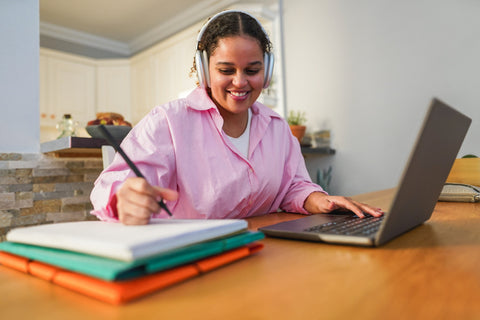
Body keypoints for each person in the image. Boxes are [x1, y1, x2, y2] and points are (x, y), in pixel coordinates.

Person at [90, 10, 383, 225]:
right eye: (227, 70)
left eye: (252, 70)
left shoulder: (277, 128)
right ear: (204, 71)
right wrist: (122, 199)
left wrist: (321, 200)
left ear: (265, 72)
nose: (240, 82)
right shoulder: (168, 122)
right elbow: (109, 188)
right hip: (195, 260)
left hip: (264, 253)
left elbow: (293, 185)